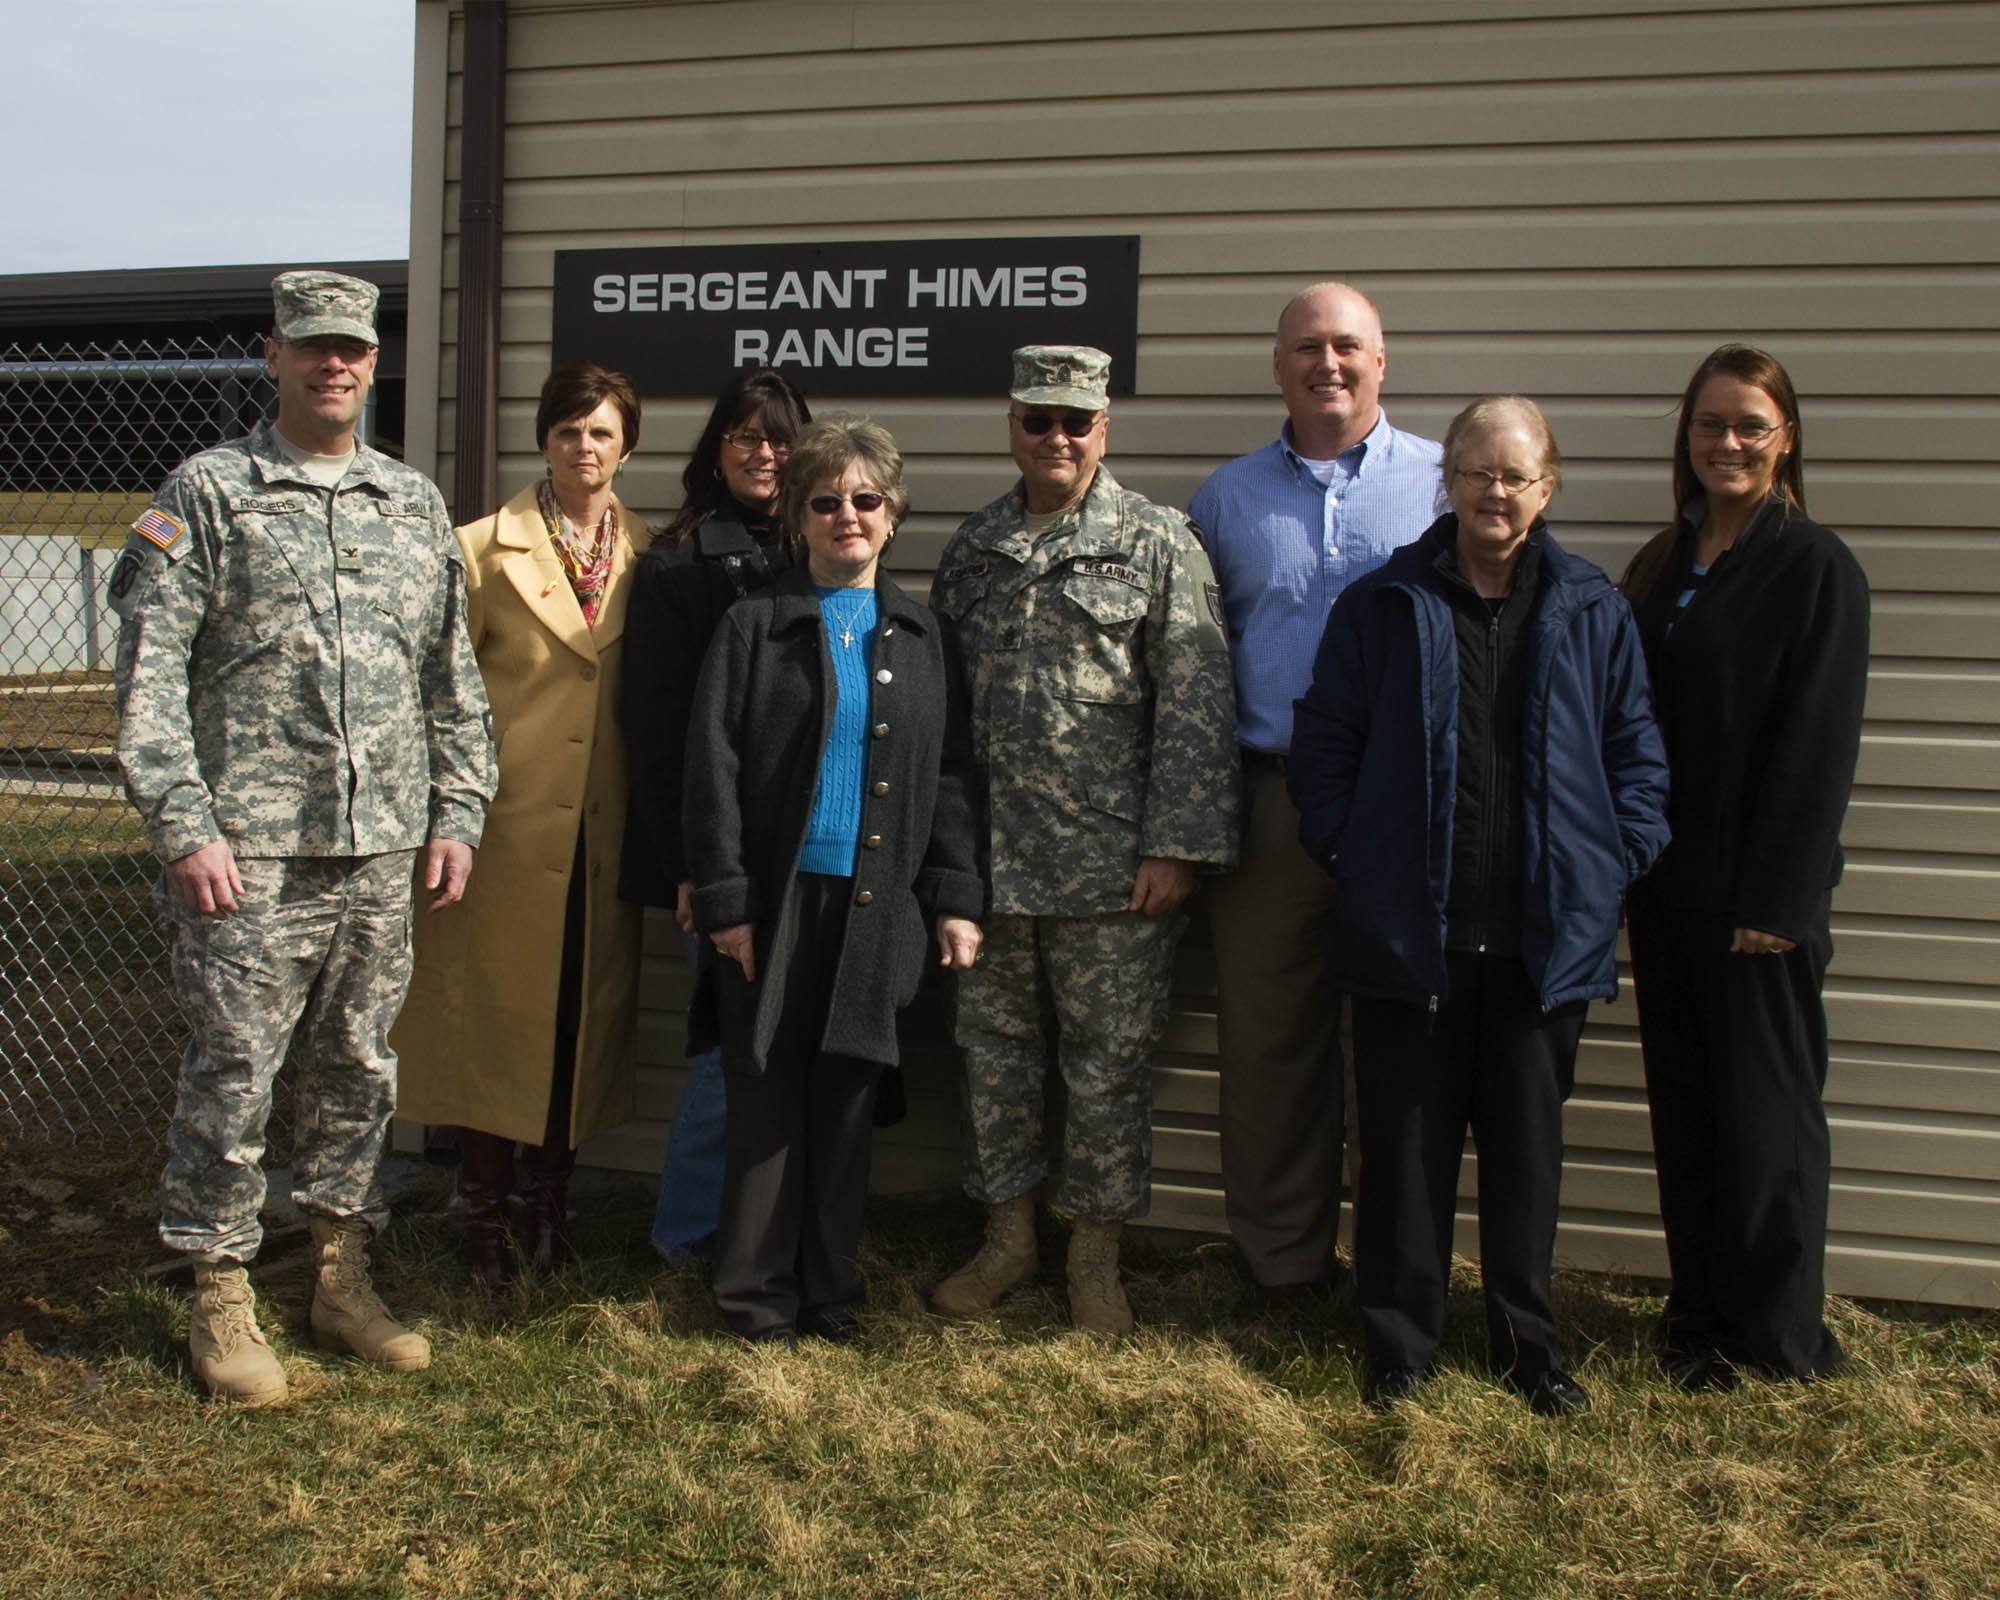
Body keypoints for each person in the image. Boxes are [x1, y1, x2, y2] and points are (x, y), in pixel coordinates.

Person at [109, 270, 496, 1404]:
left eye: (354, 349)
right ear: (271, 353)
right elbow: (147, 680)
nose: (336, 364)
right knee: (234, 1071)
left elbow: (449, 677)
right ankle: (219, 1288)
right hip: (248, 854)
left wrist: (458, 811)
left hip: (379, 849)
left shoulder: (410, 504)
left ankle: (338, 1273)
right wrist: (185, 824)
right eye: (313, 346)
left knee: (358, 1071)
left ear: (375, 363)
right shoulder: (209, 492)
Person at [1289, 396, 1669, 1414]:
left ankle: (1527, 1352)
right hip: (1410, 933)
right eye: (1474, 471)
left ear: (1546, 488)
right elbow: (1322, 746)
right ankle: (1399, 1349)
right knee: (1404, 1159)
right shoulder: (1382, 604)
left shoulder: (1592, 608)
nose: (1492, 492)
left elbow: (1636, 754)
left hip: (1542, 943)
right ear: (1443, 481)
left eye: (1514, 474)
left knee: (1523, 1162)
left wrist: (1610, 862)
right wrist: (1351, 853)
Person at [928, 346, 1240, 1336]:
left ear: (1102, 429)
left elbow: (1194, 702)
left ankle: (1094, 1257)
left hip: (1113, 873)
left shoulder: (1155, 542)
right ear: (1010, 425)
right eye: (1037, 419)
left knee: (1107, 1069)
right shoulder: (972, 551)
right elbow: (938, 721)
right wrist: (944, 862)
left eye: (1075, 422)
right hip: (991, 868)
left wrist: (1175, 844)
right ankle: (1007, 1239)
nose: (1055, 438)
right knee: (992, 1057)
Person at [683, 416, 983, 1346]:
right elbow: (712, 767)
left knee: (847, 1104)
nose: (846, 516)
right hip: (779, 905)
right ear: (798, 519)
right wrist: (727, 902)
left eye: (865, 499)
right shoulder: (752, 626)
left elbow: (953, 777)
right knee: (766, 1098)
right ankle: (754, 1303)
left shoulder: (924, 634)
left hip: (877, 906)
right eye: (825, 500)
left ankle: (830, 1298)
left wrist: (956, 895)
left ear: (892, 515)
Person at [1188, 281, 1443, 1311]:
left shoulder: (1442, 482)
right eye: (1305, 348)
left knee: (1394, 1044)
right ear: (1276, 366)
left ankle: (1392, 1269)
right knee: (1269, 1042)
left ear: (1382, 362)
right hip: (1272, 804)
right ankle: (1282, 1266)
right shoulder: (1226, 499)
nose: (1325, 365)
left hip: (1406, 806)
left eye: (1346, 347)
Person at [1620, 345, 1870, 1388]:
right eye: (1708, 424)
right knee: (1687, 1114)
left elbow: (1818, 744)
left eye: (1747, 426)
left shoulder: (1813, 566)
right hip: (1668, 892)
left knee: (1765, 1125)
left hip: (1757, 903)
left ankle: (1775, 1341)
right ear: (1684, 437)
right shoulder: (1660, 564)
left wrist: (1777, 899)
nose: (1725, 444)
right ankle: (1698, 1323)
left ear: (1785, 438)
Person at [394, 363, 647, 1290]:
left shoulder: (645, 555)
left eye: (603, 433)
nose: (585, 448)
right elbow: (431, 690)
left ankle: (553, 1215)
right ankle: (486, 1229)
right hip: (496, 839)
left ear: (628, 447)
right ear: (543, 439)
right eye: (569, 430)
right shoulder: (477, 550)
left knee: (575, 1029)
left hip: (596, 841)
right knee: (489, 1033)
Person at [620, 370, 811, 1263]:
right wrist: (689, 870)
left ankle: (770, 1230)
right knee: (724, 1051)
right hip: (722, 855)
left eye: (778, 438)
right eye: (744, 437)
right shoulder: (678, 566)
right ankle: (688, 1239)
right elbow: (656, 737)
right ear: (716, 450)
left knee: (792, 1051)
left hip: (810, 848)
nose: (763, 454)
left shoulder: (828, 548)